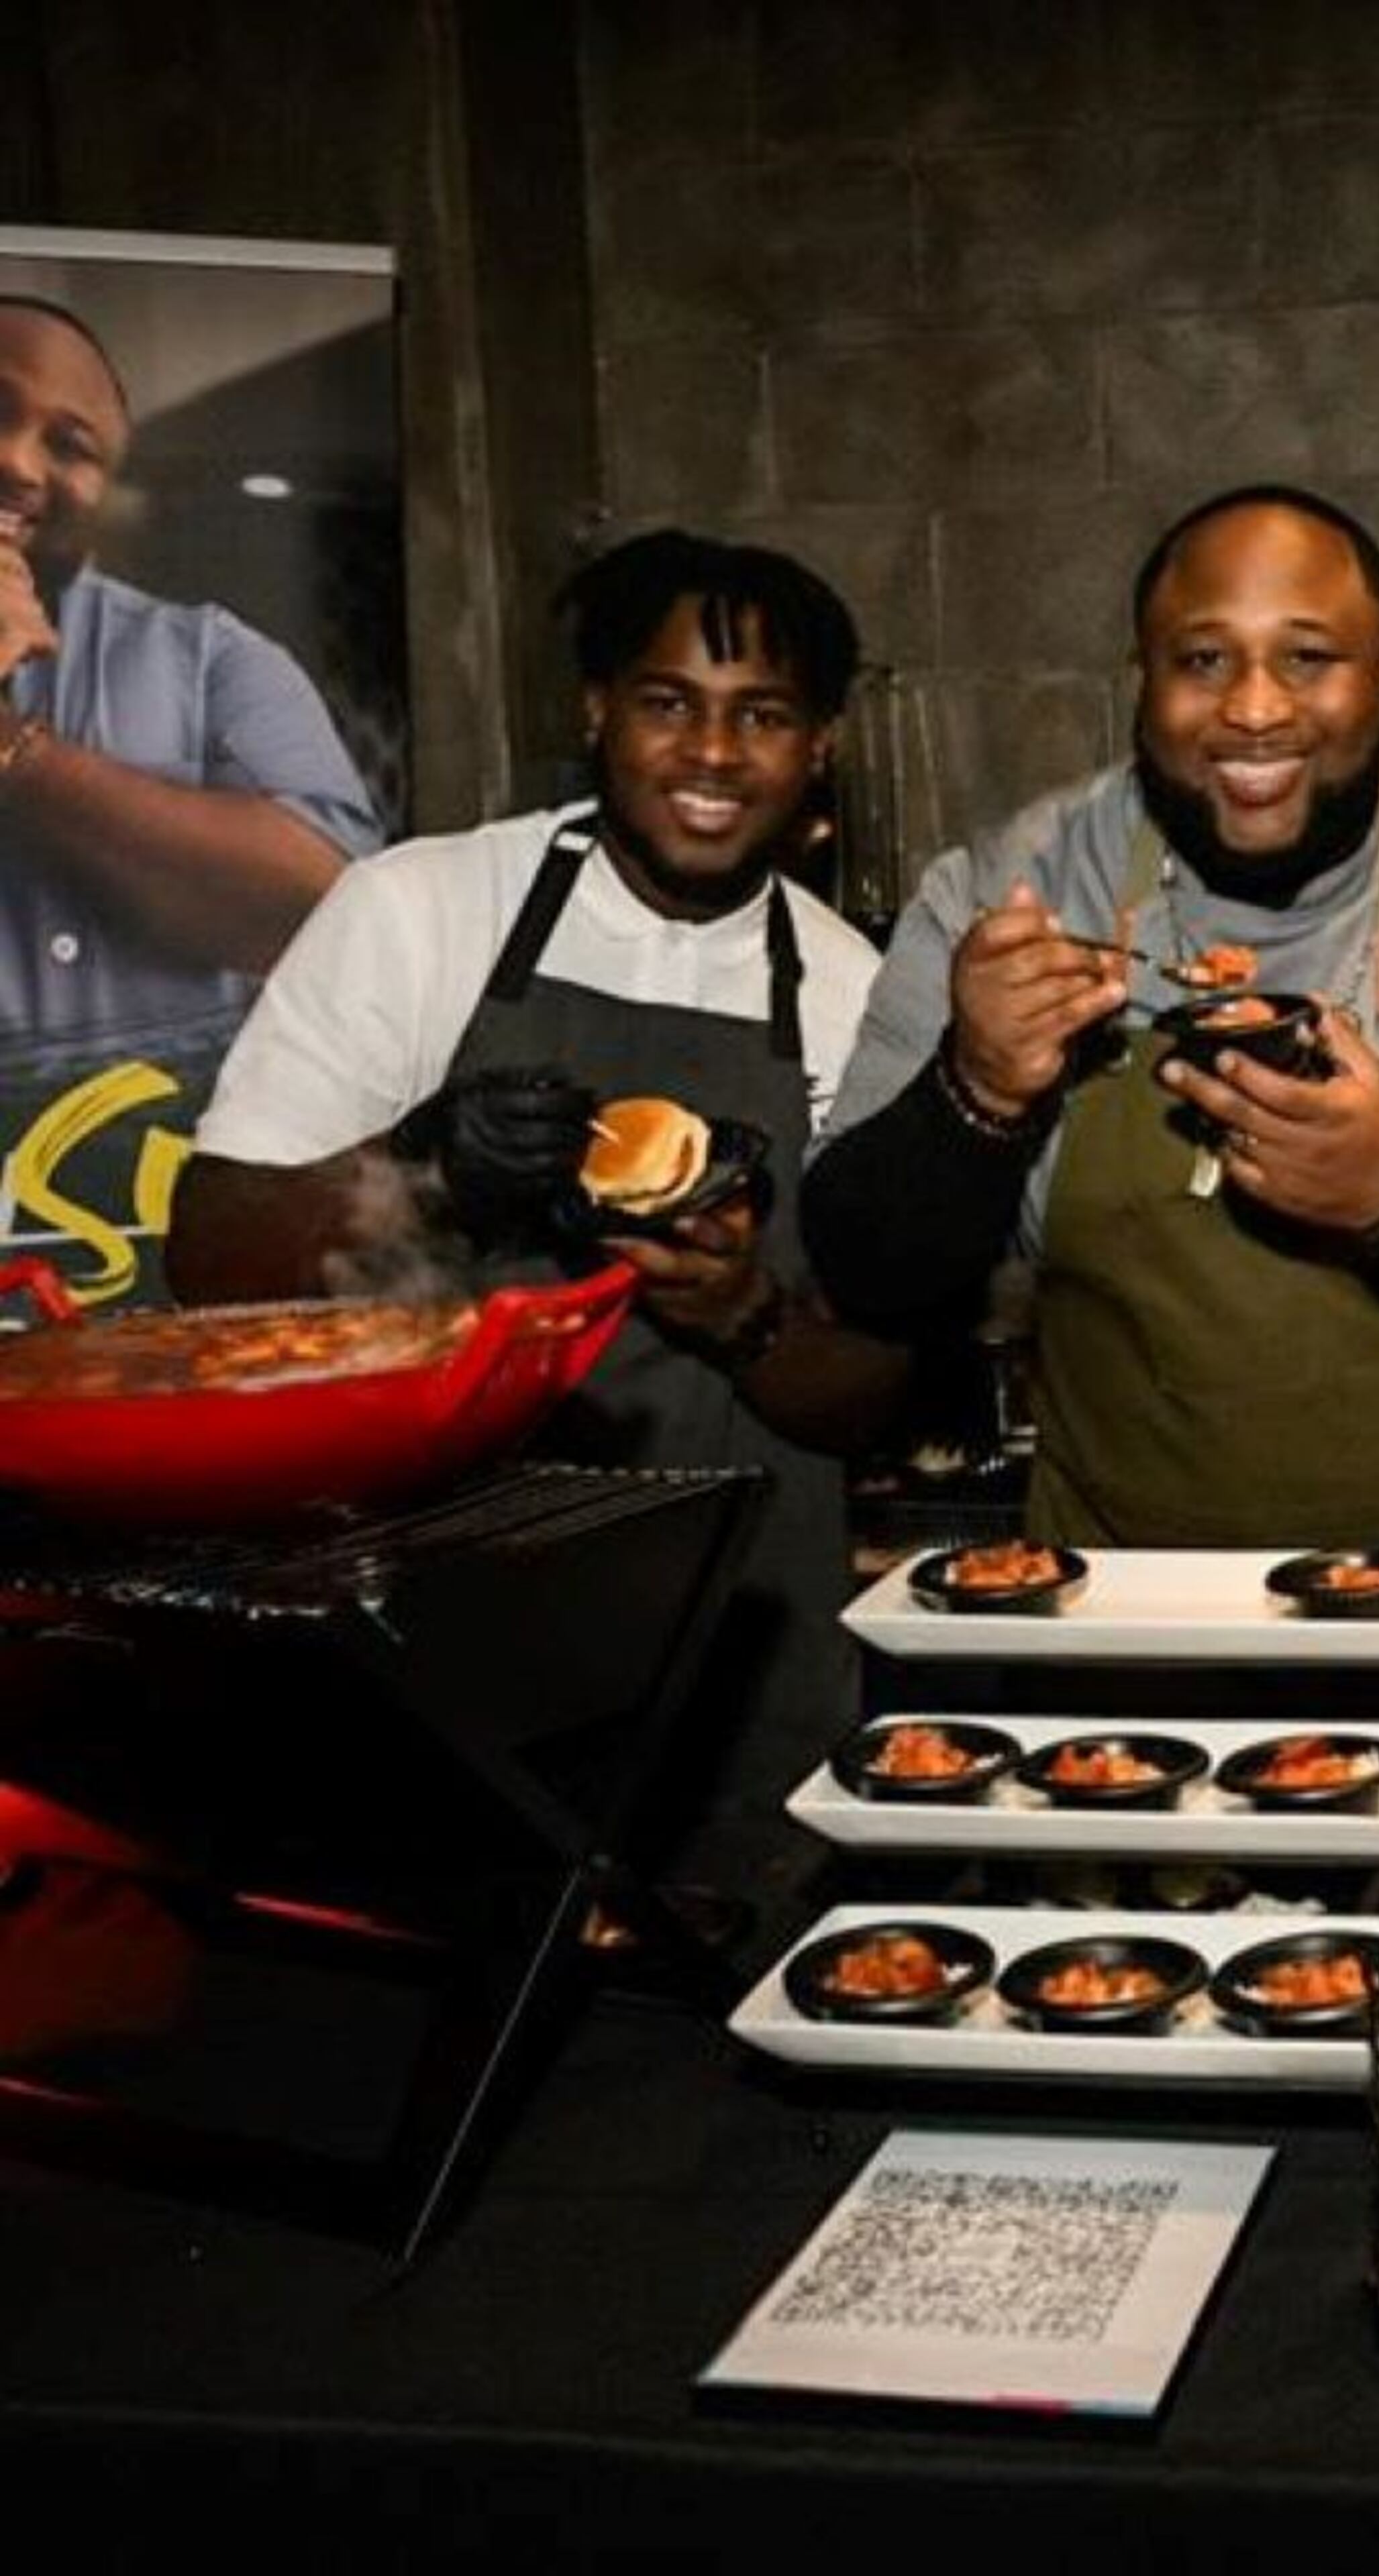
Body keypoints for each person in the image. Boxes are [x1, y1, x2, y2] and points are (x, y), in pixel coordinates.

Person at [800, 484, 1379, 1778]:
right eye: (1204, 660)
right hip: (1121, 1649)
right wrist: (978, 1092)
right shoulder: (1014, 894)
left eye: (1311, 658)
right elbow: (862, 1271)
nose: (1257, 710)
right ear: (1143, 674)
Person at [166, 527, 907, 1929]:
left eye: (762, 716)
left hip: (733, 1670)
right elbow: (209, 1263)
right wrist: (426, 1170)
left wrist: (737, 1311)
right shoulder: (421, 912)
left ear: (819, 748)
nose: (711, 754)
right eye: (667, 701)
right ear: (593, 712)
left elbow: (871, 1397)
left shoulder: (857, 997)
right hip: (444, 1647)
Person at [0, 294, 382, 1303]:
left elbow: (327, 921)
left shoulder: (214, 661)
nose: (23, 465)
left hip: (181, 1290)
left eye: (71, 444)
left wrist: (14, 751)